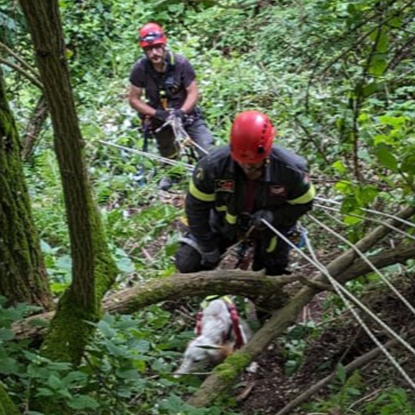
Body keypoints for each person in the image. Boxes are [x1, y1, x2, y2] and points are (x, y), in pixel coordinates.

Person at [175, 111, 315, 276]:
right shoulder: (213, 166)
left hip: (270, 229)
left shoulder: (290, 169)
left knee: (271, 273)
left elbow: (304, 204)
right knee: (188, 262)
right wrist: (208, 247)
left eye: (255, 165)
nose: (249, 169)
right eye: (243, 164)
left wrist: (273, 216)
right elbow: (196, 208)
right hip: (223, 223)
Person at [128, 22, 214, 190]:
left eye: (158, 48)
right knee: (167, 151)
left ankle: (210, 176)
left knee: (206, 148)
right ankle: (171, 173)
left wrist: (182, 112)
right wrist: (157, 114)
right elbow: (134, 99)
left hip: (187, 115)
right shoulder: (140, 69)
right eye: (149, 49)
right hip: (161, 118)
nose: (154, 53)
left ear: (164, 45)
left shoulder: (180, 63)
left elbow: (193, 92)